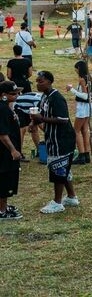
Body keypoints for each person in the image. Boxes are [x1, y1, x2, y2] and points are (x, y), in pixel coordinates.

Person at [30, 71, 79, 214]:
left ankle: (57, 202)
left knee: (58, 168)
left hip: (62, 139)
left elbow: (63, 120)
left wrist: (42, 119)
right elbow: (41, 113)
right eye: (37, 81)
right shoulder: (44, 97)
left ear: (50, 82)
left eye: (41, 81)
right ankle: (71, 196)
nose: (38, 84)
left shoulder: (56, 98)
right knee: (64, 168)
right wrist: (34, 122)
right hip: (52, 137)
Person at [0, 81, 23, 220]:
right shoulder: (2, 109)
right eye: (13, 94)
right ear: (3, 95)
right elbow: (2, 134)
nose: (17, 95)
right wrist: (13, 150)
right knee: (4, 179)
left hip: (7, 151)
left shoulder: (6, 107)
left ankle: (3, 205)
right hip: (4, 152)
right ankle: (2, 211)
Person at [67, 61, 92, 165]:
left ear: (79, 68)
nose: (75, 70)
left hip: (83, 107)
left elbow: (85, 95)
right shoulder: (89, 77)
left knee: (76, 131)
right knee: (84, 130)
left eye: (76, 68)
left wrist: (72, 90)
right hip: (89, 106)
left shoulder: (82, 79)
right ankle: (87, 154)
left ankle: (81, 155)